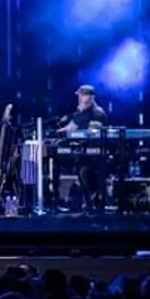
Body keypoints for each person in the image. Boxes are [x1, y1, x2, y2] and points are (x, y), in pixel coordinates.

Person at [57, 83, 109, 211]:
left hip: (95, 154)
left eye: (81, 95)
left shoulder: (97, 113)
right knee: (59, 163)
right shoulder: (82, 112)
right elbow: (70, 128)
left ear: (90, 97)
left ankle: (92, 202)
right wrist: (54, 133)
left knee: (84, 172)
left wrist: (76, 138)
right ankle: (75, 201)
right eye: (79, 96)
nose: (79, 98)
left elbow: (92, 133)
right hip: (83, 153)